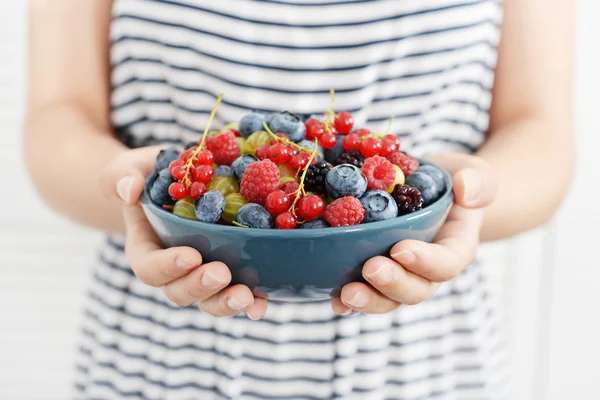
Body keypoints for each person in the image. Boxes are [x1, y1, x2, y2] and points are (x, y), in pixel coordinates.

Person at [24, 0, 574, 399]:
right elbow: (57, 120)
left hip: (421, 364)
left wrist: (467, 203)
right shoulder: (226, 179)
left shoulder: (361, 174)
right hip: (159, 360)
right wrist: (134, 191)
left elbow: (541, 135)